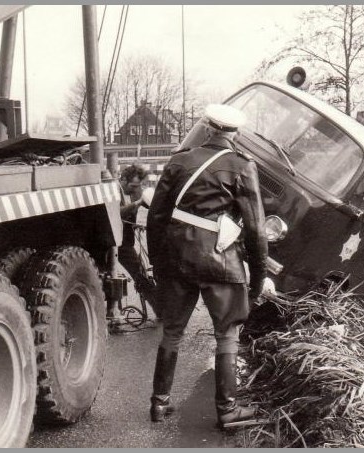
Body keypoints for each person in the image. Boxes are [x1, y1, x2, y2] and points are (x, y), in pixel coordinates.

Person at [146, 104, 268, 428]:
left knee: (172, 331)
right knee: (227, 333)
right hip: (220, 261)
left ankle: (159, 404)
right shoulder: (242, 166)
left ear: (208, 128)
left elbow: (156, 216)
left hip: (176, 258)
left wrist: (158, 262)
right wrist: (257, 279)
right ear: (235, 134)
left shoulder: (179, 160)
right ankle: (227, 411)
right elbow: (256, 230)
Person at [110, 164, 160, 319]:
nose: (135, 189)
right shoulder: (112, 190)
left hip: (125, 242)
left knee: (141, 274)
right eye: (132, 186)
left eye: (138, 186)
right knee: (107, 278)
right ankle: (110, 312)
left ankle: (161, 310)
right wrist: (137, 203)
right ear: (123, 179)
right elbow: (115, 214)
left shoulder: (135, 191)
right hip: (108, 243)